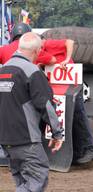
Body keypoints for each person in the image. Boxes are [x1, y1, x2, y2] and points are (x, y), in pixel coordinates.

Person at [0, 32, 64, 191]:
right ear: (37, 51)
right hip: (26, 139)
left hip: (5, 139)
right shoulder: (32, 72)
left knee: (22, 182)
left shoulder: (3, 70)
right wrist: (57, 133)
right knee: (37, 178)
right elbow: (46, 105)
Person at [36, 37, 93, 164]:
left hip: (70, 84)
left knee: (77, 114)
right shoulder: (40, 51)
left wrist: (66, 59)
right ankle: (78, 152)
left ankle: (90, 148)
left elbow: (69, 42)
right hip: (59, 87)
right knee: (67, 118)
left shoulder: (48, 43)